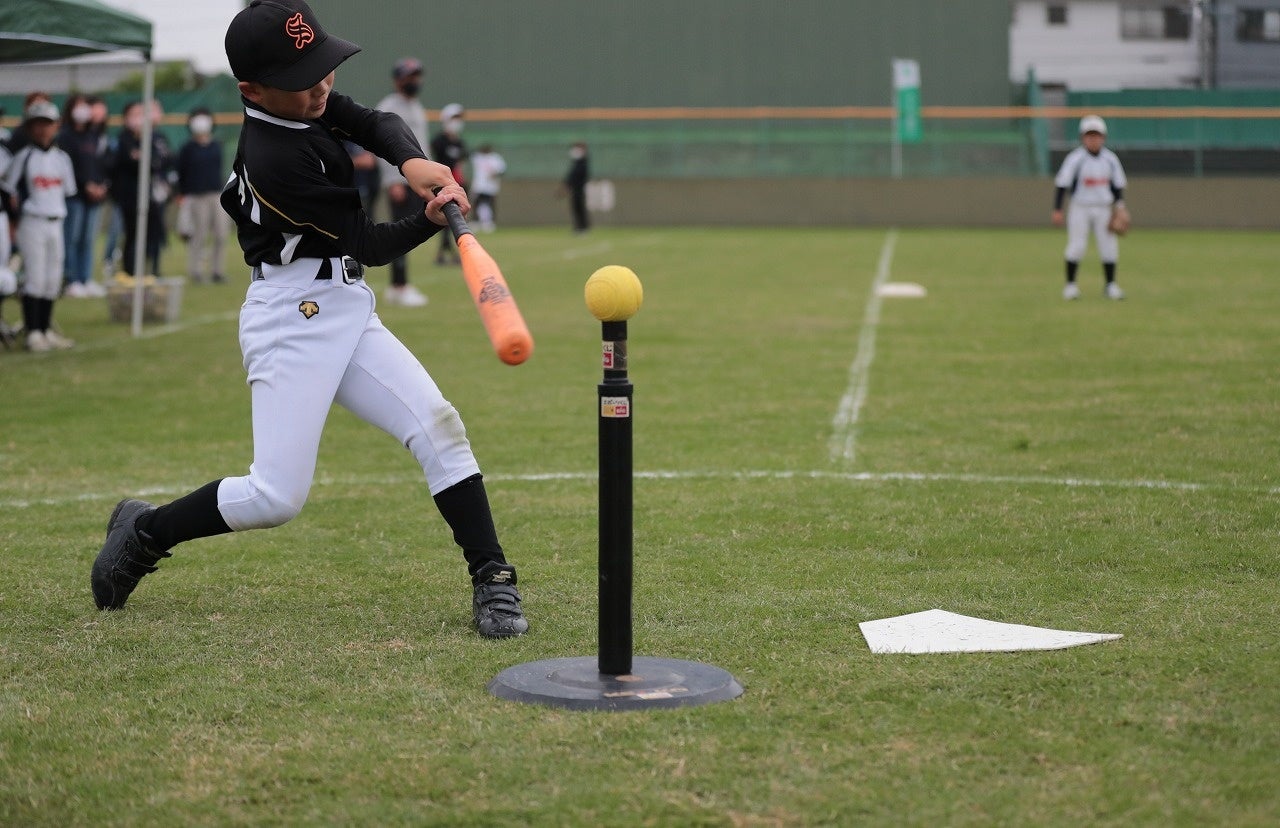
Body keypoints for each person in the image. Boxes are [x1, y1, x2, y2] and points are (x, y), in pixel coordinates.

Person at [90, 0, 529, 640]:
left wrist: (411, 162)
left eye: (323, 67)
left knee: (441, 428)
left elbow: (374, 120)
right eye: (305, 78)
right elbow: (367, 243)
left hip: (343, 304)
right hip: (289, 319)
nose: (323, 85)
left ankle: (492, 577)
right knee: (275, 497)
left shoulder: (305, 101)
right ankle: (145, 531)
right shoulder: (275, 159)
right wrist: (428, 220)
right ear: (252, 91)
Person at [1, 100, 77, 351]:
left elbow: (67, 190)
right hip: (31, 222)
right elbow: (9, 190)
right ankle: (33, 332)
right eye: (38, 124)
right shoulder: (24, 157)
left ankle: (45, 329)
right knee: (35, 276)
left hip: (56, 221)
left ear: (56, 125)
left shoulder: (62, 158)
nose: (43, 130)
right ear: (30, 128)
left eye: (48, 124)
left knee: (52, 278)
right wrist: (15, 218)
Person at [1052, 115, 1128, 301]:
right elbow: (1062, 183)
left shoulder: (1110, 159)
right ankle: (1070, 286)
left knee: (1109, 247)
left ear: (1103, 137)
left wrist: (1120, 207)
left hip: (1103, 208)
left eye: (1097, 135)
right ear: (1082, 137)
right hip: (1080, 207)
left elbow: (1117, 186)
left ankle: (1110, 286)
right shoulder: (1075, 159)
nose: (1093, 139)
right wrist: (1057, 209)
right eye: (1089, 135)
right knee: (1077, 246)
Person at [375, 57, 429, 307]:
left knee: (410, 232)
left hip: (418, 180)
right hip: (401, 180)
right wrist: (393, 180)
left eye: (417, 77)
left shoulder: (416, 106)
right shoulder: (388, 106)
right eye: (410, 77)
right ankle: (399, 285)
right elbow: (383, 146)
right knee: (401, 231)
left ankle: (400, 285)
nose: (414, 82)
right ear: (398, 80)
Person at [109, 99, 173, 276]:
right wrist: (140, 158)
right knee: (132, 235)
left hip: (150, 195)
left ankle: (149, 269)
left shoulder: (151, 138)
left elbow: (158, 161)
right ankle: (130, 270)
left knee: (150, 235)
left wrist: (144, 157)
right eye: (135, 115)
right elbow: (129, 162)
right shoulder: (123, 139)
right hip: (129, 196)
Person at [58, 93, 111, 298]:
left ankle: (85, 278)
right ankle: (71, 280)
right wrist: (85, 185)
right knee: (72, 239)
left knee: (88, 240)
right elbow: (68, 167)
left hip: (93, 197)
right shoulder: (65, 136)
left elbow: (98, 164)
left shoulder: (92, 136)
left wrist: (100, 185)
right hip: (75, 197)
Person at [176, 107, 230, 283]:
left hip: (216, 195)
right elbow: (181, 173)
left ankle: (217, 271)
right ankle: (196, 271)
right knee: (199, 235)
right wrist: (182, 195)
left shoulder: (216, 145)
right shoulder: (187, 149)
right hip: (196, 196)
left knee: (221, 234)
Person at [429, 103, 467, 265]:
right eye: (454, 118)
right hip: (441, 186)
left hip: (456, 185)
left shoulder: (459, 143)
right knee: (446, 223)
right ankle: (447, 253)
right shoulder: (439, 141)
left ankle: (446, 254)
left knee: (453, 223)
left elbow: (460, 163)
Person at [470, 143, 506, 232]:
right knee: (476, 204)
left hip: (490, 186)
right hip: (479, 185)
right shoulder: (478, 157)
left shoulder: (495, 158)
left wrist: (495, 174)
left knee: (489, 204)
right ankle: (476, 221)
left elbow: (502, 170)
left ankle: (489, 223)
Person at [561, 140, 590, 233]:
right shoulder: (576, 162)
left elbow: (577, 175)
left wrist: (568, 184)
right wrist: (567, 184)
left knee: (580, 208)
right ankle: (579, 227)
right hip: (575, 189)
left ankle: (583, 227)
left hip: (580, 189)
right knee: (576, 208)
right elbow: (571, 176)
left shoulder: (583, 162)